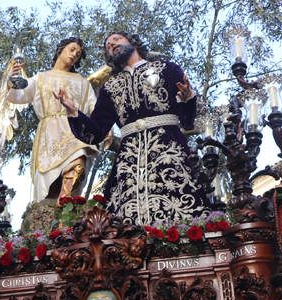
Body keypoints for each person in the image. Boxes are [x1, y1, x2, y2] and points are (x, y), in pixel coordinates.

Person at [56, 33, 201, 226]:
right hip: (129, 163)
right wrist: (74, 111)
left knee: (183, 211)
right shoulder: (110, 87)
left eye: (116, 39)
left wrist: (188, 97)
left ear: (132, 42)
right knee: (123, 225)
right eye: (108, 45)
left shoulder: (167, 69)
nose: (112, 44)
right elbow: (96, 131)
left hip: (170, 152)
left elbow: (188, 121)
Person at [2, 37, 98, 201]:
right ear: (61, 49)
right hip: (49, 134)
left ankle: (66, 202)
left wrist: (105, 129)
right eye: (72, 49)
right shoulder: (41, 78)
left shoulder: (82, 83)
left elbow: (94, 110)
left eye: (78, 53)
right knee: (48, 181)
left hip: (74, 129)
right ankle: (53, 210)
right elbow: (18, 97)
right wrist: (12, 81)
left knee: (79, 159)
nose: (75, 54)